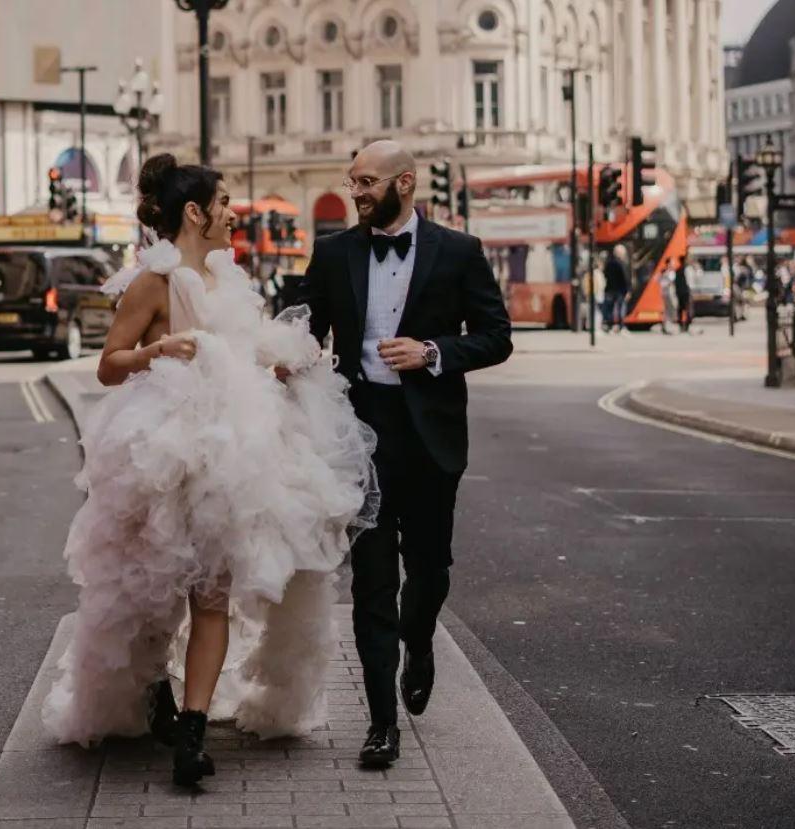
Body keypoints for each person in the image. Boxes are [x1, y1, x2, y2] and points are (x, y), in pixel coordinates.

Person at [41, 154, 379, 787]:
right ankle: (150, 696)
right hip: (163, 456)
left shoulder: (231, 280)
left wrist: (278, 365)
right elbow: (110, 365)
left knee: (213, 597)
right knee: (149, 593)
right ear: (195, 213)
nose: (233, 214)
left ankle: (191, 733)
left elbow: (243, 357)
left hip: (232, 459)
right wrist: (157, 349)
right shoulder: (151, 283)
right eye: (223, 202)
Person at [301, 140, 513, 768]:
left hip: (429, 436)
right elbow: (306, 332)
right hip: (359, 436)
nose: (356, 192)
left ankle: (419, 642)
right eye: (352, 182)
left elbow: (497, 336)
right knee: (371, 582)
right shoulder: (334, 252)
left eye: (367, 182)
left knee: (429, 571)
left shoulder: (459, 251)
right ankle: (380, 724)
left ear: (405, 182)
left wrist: (434, 353)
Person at [603, 245, 630, 332]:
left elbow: (605, 275)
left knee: (609, 309)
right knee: (621, 308)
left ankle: (609, 326)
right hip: (620, 291)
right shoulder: (622, 264)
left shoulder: (608, 263)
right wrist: (628, 290)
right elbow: (625, 278)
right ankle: (621, 326)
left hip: (609, 289)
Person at [674, 257, 692, 332]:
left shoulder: (677, 270)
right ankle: (686, 325)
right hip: (685, 292)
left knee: (681, 309)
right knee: (687, 309)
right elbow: (689, 282)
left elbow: (675, 283)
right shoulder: (687, 270)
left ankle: (681, 325)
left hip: (679, 292)